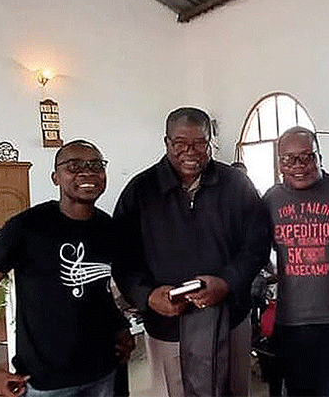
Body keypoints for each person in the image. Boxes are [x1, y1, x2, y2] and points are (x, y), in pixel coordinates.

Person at [113, 107, 272, 396]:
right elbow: (123, 257)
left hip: (230, 318)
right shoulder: (141, 190)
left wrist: (227, 282)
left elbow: (257, 244)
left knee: (232, 389)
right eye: (180, 143)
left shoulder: (236, 185)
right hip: (167, 324)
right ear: (166, 142)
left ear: (210, 142)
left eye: (200, 143)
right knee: (172, 390)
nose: (190, 151)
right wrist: (148, 296)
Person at [0, 140, 134, 397]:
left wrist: (121, 327)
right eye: (74, 166)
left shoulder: (107, 227)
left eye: (95, 165)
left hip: (104, 371)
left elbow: (99, 291)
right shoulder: (26, 228)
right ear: (55, 177)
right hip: (46, 381)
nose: (87, 172)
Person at [262, 127, 329, 396]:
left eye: (306, 156)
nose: (298, 165)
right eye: (289, 159)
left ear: (319, 156)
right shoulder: (270, 200)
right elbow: (255, 249)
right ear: (279, 163)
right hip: (291, 324)